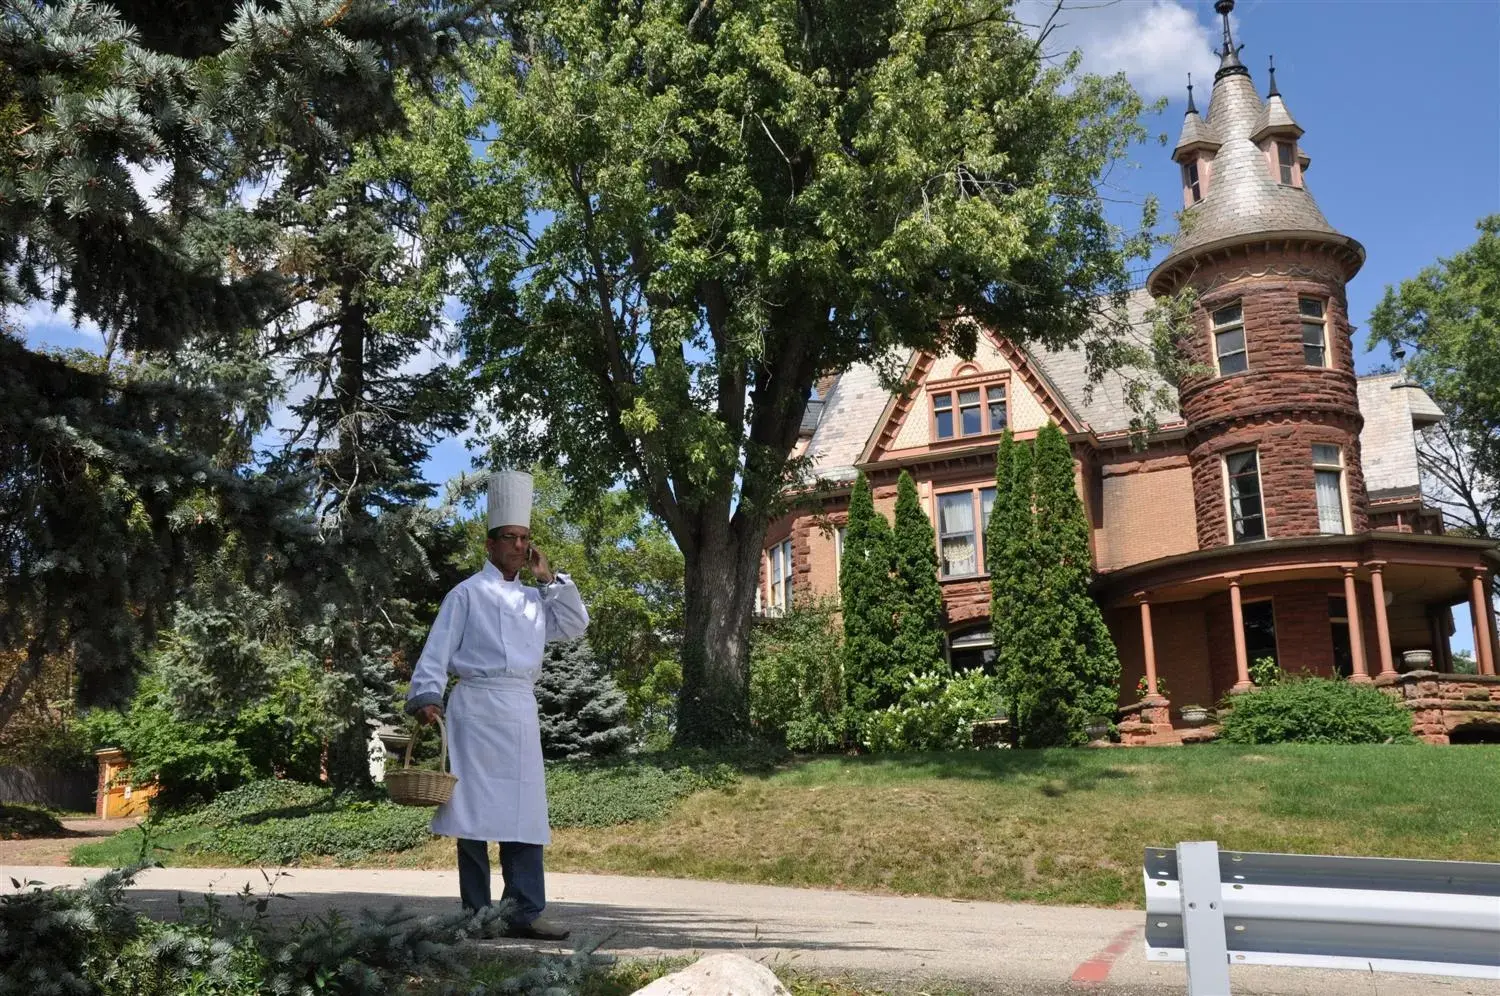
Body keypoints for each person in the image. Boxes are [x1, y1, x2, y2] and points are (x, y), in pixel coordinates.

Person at [406, 470, 589, 940]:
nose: (518, 546)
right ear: (489, 545)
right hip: (474, 709)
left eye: (525, 539)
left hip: (519, 713)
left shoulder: (535, 599)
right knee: (472, 815)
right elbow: (438, 648)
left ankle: (524, 912)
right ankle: (476, 915)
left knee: (524, 812)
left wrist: (548, 577)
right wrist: (427, 695)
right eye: (510, 538)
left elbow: (573, 624)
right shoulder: (466, 594)